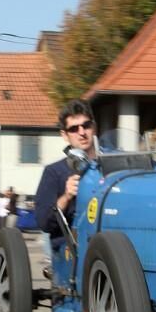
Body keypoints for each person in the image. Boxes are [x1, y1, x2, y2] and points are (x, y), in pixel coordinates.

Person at [35, 99, 98, 250]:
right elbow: (44, 223)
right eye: (74, 129)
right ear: (64, 135)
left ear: (93, 127)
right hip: (71, 248)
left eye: (86, 126)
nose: (82, 132)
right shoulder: (54, 172)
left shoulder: (111, 162)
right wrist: (67, 196)